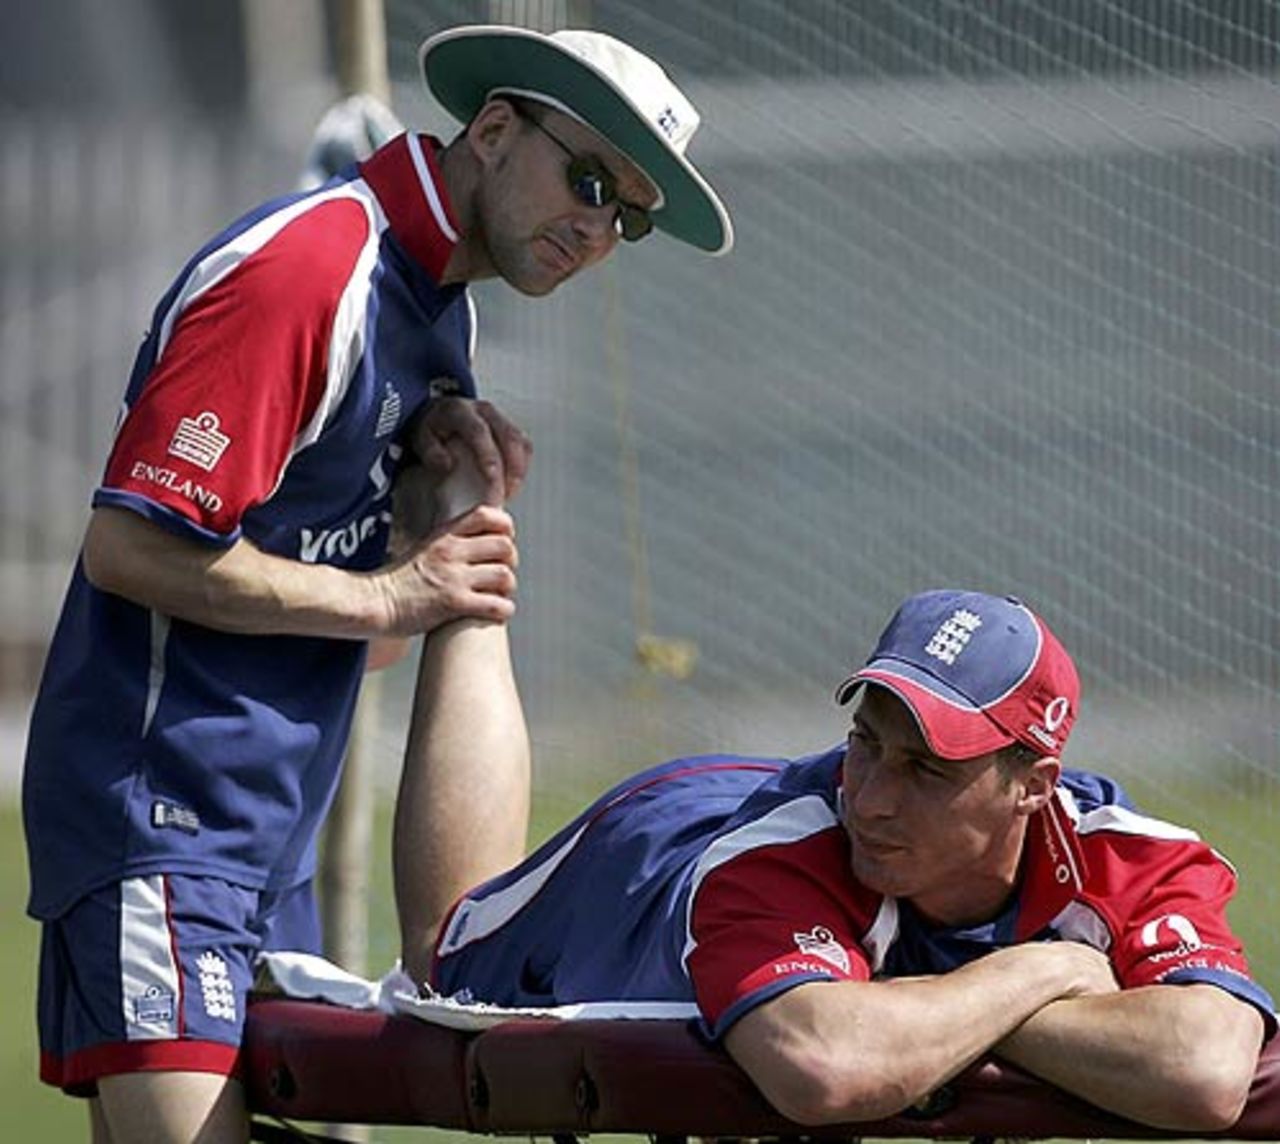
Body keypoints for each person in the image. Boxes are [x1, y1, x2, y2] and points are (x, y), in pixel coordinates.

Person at [23, 23, 732, 1144]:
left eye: (626, 216)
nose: (597, 229)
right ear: (493, 130)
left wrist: (414, 534)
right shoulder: (311, 272)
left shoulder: (441, 310)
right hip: (158, 821)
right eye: (588, 180)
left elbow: (369, 633)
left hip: (256, 844)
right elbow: (129, 547)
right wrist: (394, 593)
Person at [404, 589, 1275, 1133]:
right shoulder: (780, 852)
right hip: (655, 847)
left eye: (928, 768)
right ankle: (470, 583)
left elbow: (1201, 1073)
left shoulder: (1134, 857)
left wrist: (919, 1011)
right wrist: (1046, 970)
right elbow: (824, 1068)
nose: (875, 797)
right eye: (867, 743)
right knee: (438, 948)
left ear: (1034, 784)